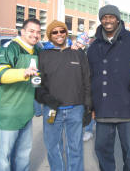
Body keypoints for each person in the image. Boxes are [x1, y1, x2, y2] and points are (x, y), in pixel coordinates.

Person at [87, 4, 130, 171]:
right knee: (103, 151)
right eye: (104, 17)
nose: (108, 20)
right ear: (100, 20)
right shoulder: (93, 47)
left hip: (128, 107)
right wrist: (91, 106)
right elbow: (90, 79)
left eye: (111, 16)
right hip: (103, 108)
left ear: (118, 18)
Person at [35, 20, 91, 171]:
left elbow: (87, 81)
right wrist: (46, 99)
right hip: (52, 111)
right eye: (55, 32)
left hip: (76, 109)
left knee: (75, 149)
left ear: (66, 33)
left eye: (62, 31)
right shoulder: (43, 55)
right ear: (49, 35)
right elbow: (36, 84)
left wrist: (88, 107)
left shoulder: (78, 54)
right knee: (54, 148)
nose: (59, 35)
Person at [0, 18, 42, 171]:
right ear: (22, 31)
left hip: (26, 113)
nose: (35, 35)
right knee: (4, 157)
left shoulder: (37, 50)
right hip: (8, 113)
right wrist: (23, 73)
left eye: (38, 32)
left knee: (23, 155)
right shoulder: (10, 48)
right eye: (31, 31)